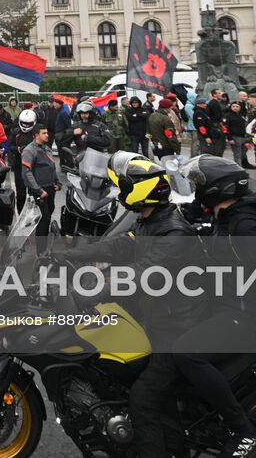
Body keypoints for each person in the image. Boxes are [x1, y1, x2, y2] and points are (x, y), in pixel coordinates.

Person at [87, 152, 204, 458]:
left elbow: (143, 275)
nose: (121, 193)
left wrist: (95, 289)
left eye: (124, 188)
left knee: (143, 397)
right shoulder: (150, 219)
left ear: (141, 190)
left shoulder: (174, 231)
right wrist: (66, 255)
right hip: (159, 319)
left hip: (175, 328)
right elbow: (118, 245)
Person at [180, 155, 256, 458]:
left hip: (245, 315)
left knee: (186, 353)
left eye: (199, 185)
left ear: (217, 190)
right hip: (229, 304)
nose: (195, 190)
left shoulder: (245, 226)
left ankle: (245, 433)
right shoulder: (227, 215)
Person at [20, 124, 59, 250]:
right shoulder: (29, 150)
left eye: (47, 132)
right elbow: (26, 173)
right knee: (44, 218)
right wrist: (38, 190)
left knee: (48, 215)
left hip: (50, 189)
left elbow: (51, 166)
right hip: (39, 191)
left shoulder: (46, 148)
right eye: (44, 133)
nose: (47, 135)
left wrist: (57, 183)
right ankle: (41, 252)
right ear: (36, 135)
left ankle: (42, 242)